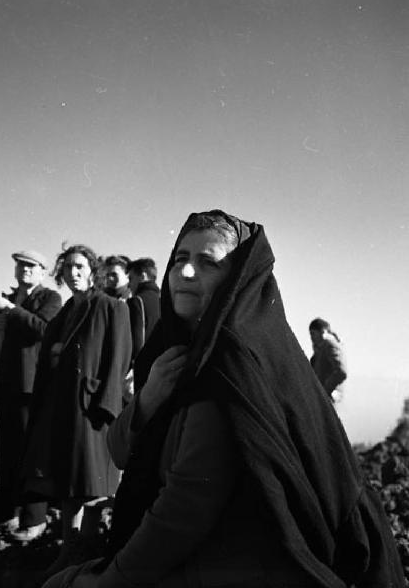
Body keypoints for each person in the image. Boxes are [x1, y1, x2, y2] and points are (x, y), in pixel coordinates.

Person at [42, 210, 403, 588]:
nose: (184, 273)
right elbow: (120, 454)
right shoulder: (172, 354)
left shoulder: (229, 367)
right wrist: (148, 400)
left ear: (237, 280)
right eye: (180, 259)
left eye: (207, 263)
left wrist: (107, 583)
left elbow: (183, 510)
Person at [21, 244, 132, 576]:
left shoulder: (112, 307)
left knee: (94, 483)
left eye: (80, 266)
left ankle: (90, 551)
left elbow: (118, 359)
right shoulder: (65, 312)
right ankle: (71, 549)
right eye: (68, 267)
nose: (74, 273)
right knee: (69, 482)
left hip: (93, 408)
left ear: (92, 270)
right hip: (62, 406)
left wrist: (107, 408)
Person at [0, 249, 62, 539]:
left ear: (42, 271)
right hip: (4, 388)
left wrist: (10, 311)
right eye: (21, 265)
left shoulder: (50, 298)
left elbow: (42, 328)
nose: (25, 270)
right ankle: (5, 514)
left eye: (32, 266)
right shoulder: (9, 298)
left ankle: (33, 519)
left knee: (32, 453)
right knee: (8, 452)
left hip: (32, 388)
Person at [126, 257, 160, 363]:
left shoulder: (137, 301)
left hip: (145, 365)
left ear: (143, 276)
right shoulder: (166, 301)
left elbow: (137, 340)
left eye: (131, 279)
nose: (128, 285)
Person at [309, 317, 348, 404]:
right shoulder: (320, 349)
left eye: (313, 333)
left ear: (323, 332)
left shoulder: (329, 345)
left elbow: (341, 372)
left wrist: (325, 390)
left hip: (329, 399)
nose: (311, 337)